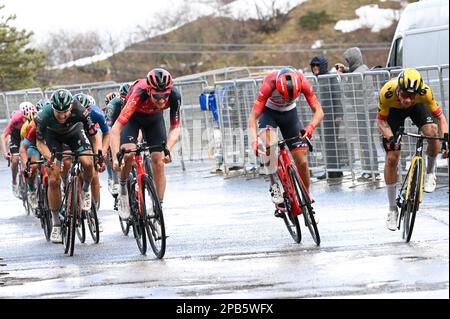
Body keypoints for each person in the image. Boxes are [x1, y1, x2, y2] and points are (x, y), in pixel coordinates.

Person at [377, 68, 449, 231]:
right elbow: (381, 122)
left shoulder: (424, 92)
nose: (408, 99)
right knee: (392, 158)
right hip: (393, 113)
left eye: (412, 95)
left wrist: (446, 140)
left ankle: (430, 172)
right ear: (398, 90)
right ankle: (392, 209)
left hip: (419, 108)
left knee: (432, 132)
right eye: (404, 95)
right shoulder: (387, 92)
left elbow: (440, 118)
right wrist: (391, 138)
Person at [248, 66, 324, 216]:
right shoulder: (268, 84)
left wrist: (310, 128)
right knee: (270, 148)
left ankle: (305, 198)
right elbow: (253, 117)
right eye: (283, 96)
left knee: (302, 161)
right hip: (269, 114)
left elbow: (319, 111)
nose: (286, 100)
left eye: (291, 97)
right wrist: (254, 143)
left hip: (290, 116)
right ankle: (275, 186)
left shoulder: (302, 81)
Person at [110, 69, 181, 220]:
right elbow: (116, 129)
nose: (162, 100)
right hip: (134, 118)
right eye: (157, 96)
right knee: (128, 154)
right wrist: (116, 158)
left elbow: (175, 127)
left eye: (165, 96)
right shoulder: (138, 93)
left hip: (154, 119)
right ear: (149, 91)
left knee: (159, 160)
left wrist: (167, 148)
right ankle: (123, 189)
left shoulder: (175, 95)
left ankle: (158, 208)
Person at [35, 89, 97, 243]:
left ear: (71, 107)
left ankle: (85, 190)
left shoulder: (80, 110)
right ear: (53, 109)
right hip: (53, 137)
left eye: (65, 112)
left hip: (74, 133)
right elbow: (40, 143)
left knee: (88, 162)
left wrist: (99, 153)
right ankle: (56, 223)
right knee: (53, 179)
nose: (62, 116)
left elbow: (95, 136)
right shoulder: (43, 115)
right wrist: (50, 159)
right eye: (58, 113)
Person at [343, 47, 380, 180]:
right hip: (368, 109)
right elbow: (353, 75)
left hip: (364, 110)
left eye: (348, 60)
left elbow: (348, 90)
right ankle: (372, 170)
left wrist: (341, 77)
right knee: (368, 139)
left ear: (353, 59)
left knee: (366, 140)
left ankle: (371, 171)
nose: (347, 62)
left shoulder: (358, 74)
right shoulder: (363, 68)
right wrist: (346, 71)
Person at [73, 93, 110, 214]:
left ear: (89, 108)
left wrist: (101, 154)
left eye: (86, 110)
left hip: (91, 136)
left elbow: (106, 134)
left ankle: (95, 210)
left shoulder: (96, 113)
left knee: (94, 174)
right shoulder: (69, 114)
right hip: (73, 136)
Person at [310, 55, 344, 179]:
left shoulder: (330, 77)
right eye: (313, 65)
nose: (314, 67)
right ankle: (332, 170)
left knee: (331, 143)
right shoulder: (315, 79)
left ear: (322, 66)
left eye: (317, 65)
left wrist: (339, 114)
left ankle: (334, 170)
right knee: (326, 143)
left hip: (331, 116)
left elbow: (337, 95)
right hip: (320, 118)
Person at [1, 101, 36, 198]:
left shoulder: (35, 116)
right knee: (15, 159)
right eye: (24, 118)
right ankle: (14, 181)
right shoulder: (16, 119)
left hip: (29, 132)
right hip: (16, 134)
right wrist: (5, 152)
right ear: (21, 115)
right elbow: (3, 136)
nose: (26, 120)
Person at [105, 83, 130, 195]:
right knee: (111, 150)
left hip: (128, 127)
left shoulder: (136, 102)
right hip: (115, 127)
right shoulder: (113, 105)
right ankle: (114, 179)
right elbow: (109, 130)